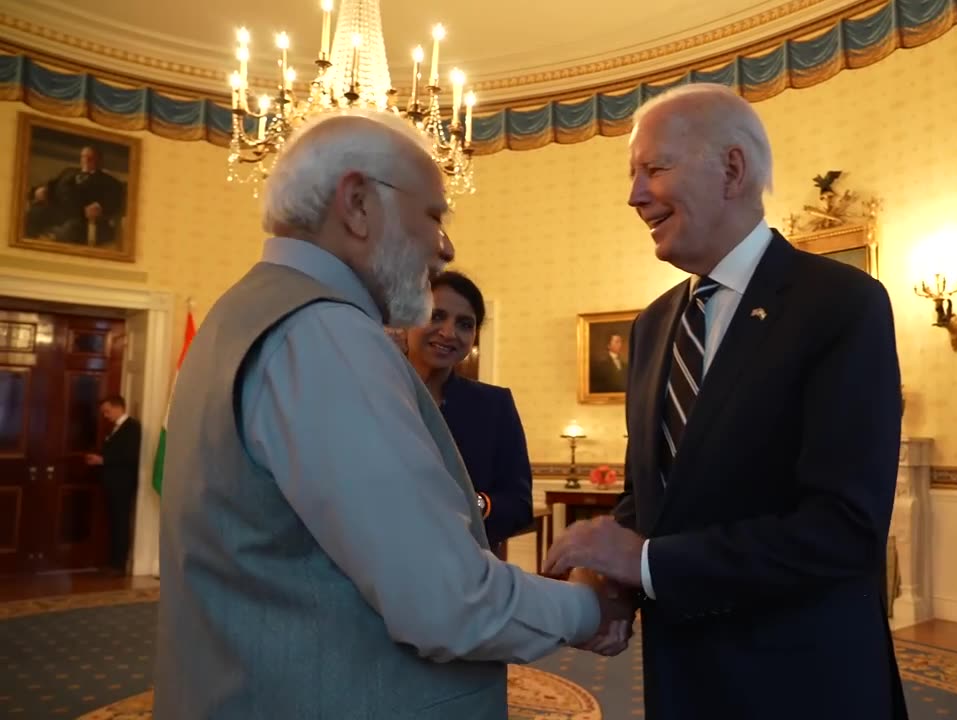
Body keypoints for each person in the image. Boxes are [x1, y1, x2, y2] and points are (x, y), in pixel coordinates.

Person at [153, 109, 630, 719]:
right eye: (434, 214)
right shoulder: (325, 333)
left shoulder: (240, 314)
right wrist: (591, 607)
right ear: (357, 203)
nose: (446, 246)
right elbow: (446, 601)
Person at [543, 83, 907, 718]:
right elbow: (652, 493)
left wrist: (647, 562)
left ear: (732, 169)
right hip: (681, 676)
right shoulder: (653, 324)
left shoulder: (841, 304)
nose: (634, 195)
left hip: (803, 682)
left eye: (653, 169)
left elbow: (843, 529)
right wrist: (617, 585)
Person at [404, 270, 535, 550]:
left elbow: (519, 506)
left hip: (468, 567)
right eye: (436, 316)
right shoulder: (376, 391)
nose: (449, 332)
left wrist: (474, 503)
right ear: (408, 318)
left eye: (465, 324)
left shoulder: (494, 405)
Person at [24, 146, 126, 246]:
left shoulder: (109, 181)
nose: (86, 160)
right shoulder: (69, 172)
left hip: (81, 218)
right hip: (58, 211)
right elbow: (52, 185)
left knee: (70, 231)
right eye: (83, 156)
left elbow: (115, 199)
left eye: (90, 157)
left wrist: (100, 207)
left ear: (99, 161)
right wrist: (39, 190)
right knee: (34, 214)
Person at [86, 394, 140, 574]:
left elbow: (130, 456)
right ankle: (112, 561)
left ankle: (119, 564)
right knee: (113, 522)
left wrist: (103, 460)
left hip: (123, 484)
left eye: (107, 411)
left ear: (118, 408)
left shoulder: (132, 427)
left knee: (121, 523)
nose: (105, 416)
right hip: (111, 483)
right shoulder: (114, 429)